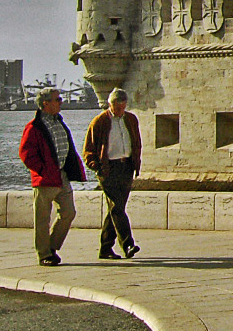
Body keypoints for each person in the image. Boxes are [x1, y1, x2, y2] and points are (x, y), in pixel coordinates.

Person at [18, 87, 85, 266]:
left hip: (62, 176)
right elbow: (25, 154)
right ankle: (44, 254)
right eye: (57, 99)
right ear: (46, 103)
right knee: (42, 219)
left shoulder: (59, 122)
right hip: (45, 179)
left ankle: (52, 247)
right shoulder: (33, 127)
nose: (61, 102)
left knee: (69, 212)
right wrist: (43, 170)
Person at [84, 87, 142, 260]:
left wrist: (135, 162)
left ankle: (105, 248)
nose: (119, 111)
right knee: (116, 207)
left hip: (126, 167)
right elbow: (88, 149)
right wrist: (97, 167)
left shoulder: (131, 119)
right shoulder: (99, 121)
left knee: (116, 209)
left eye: (122, 107)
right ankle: (128, 244)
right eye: (117, 108)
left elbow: (136, 142)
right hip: (108, 169)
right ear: (110, 104)